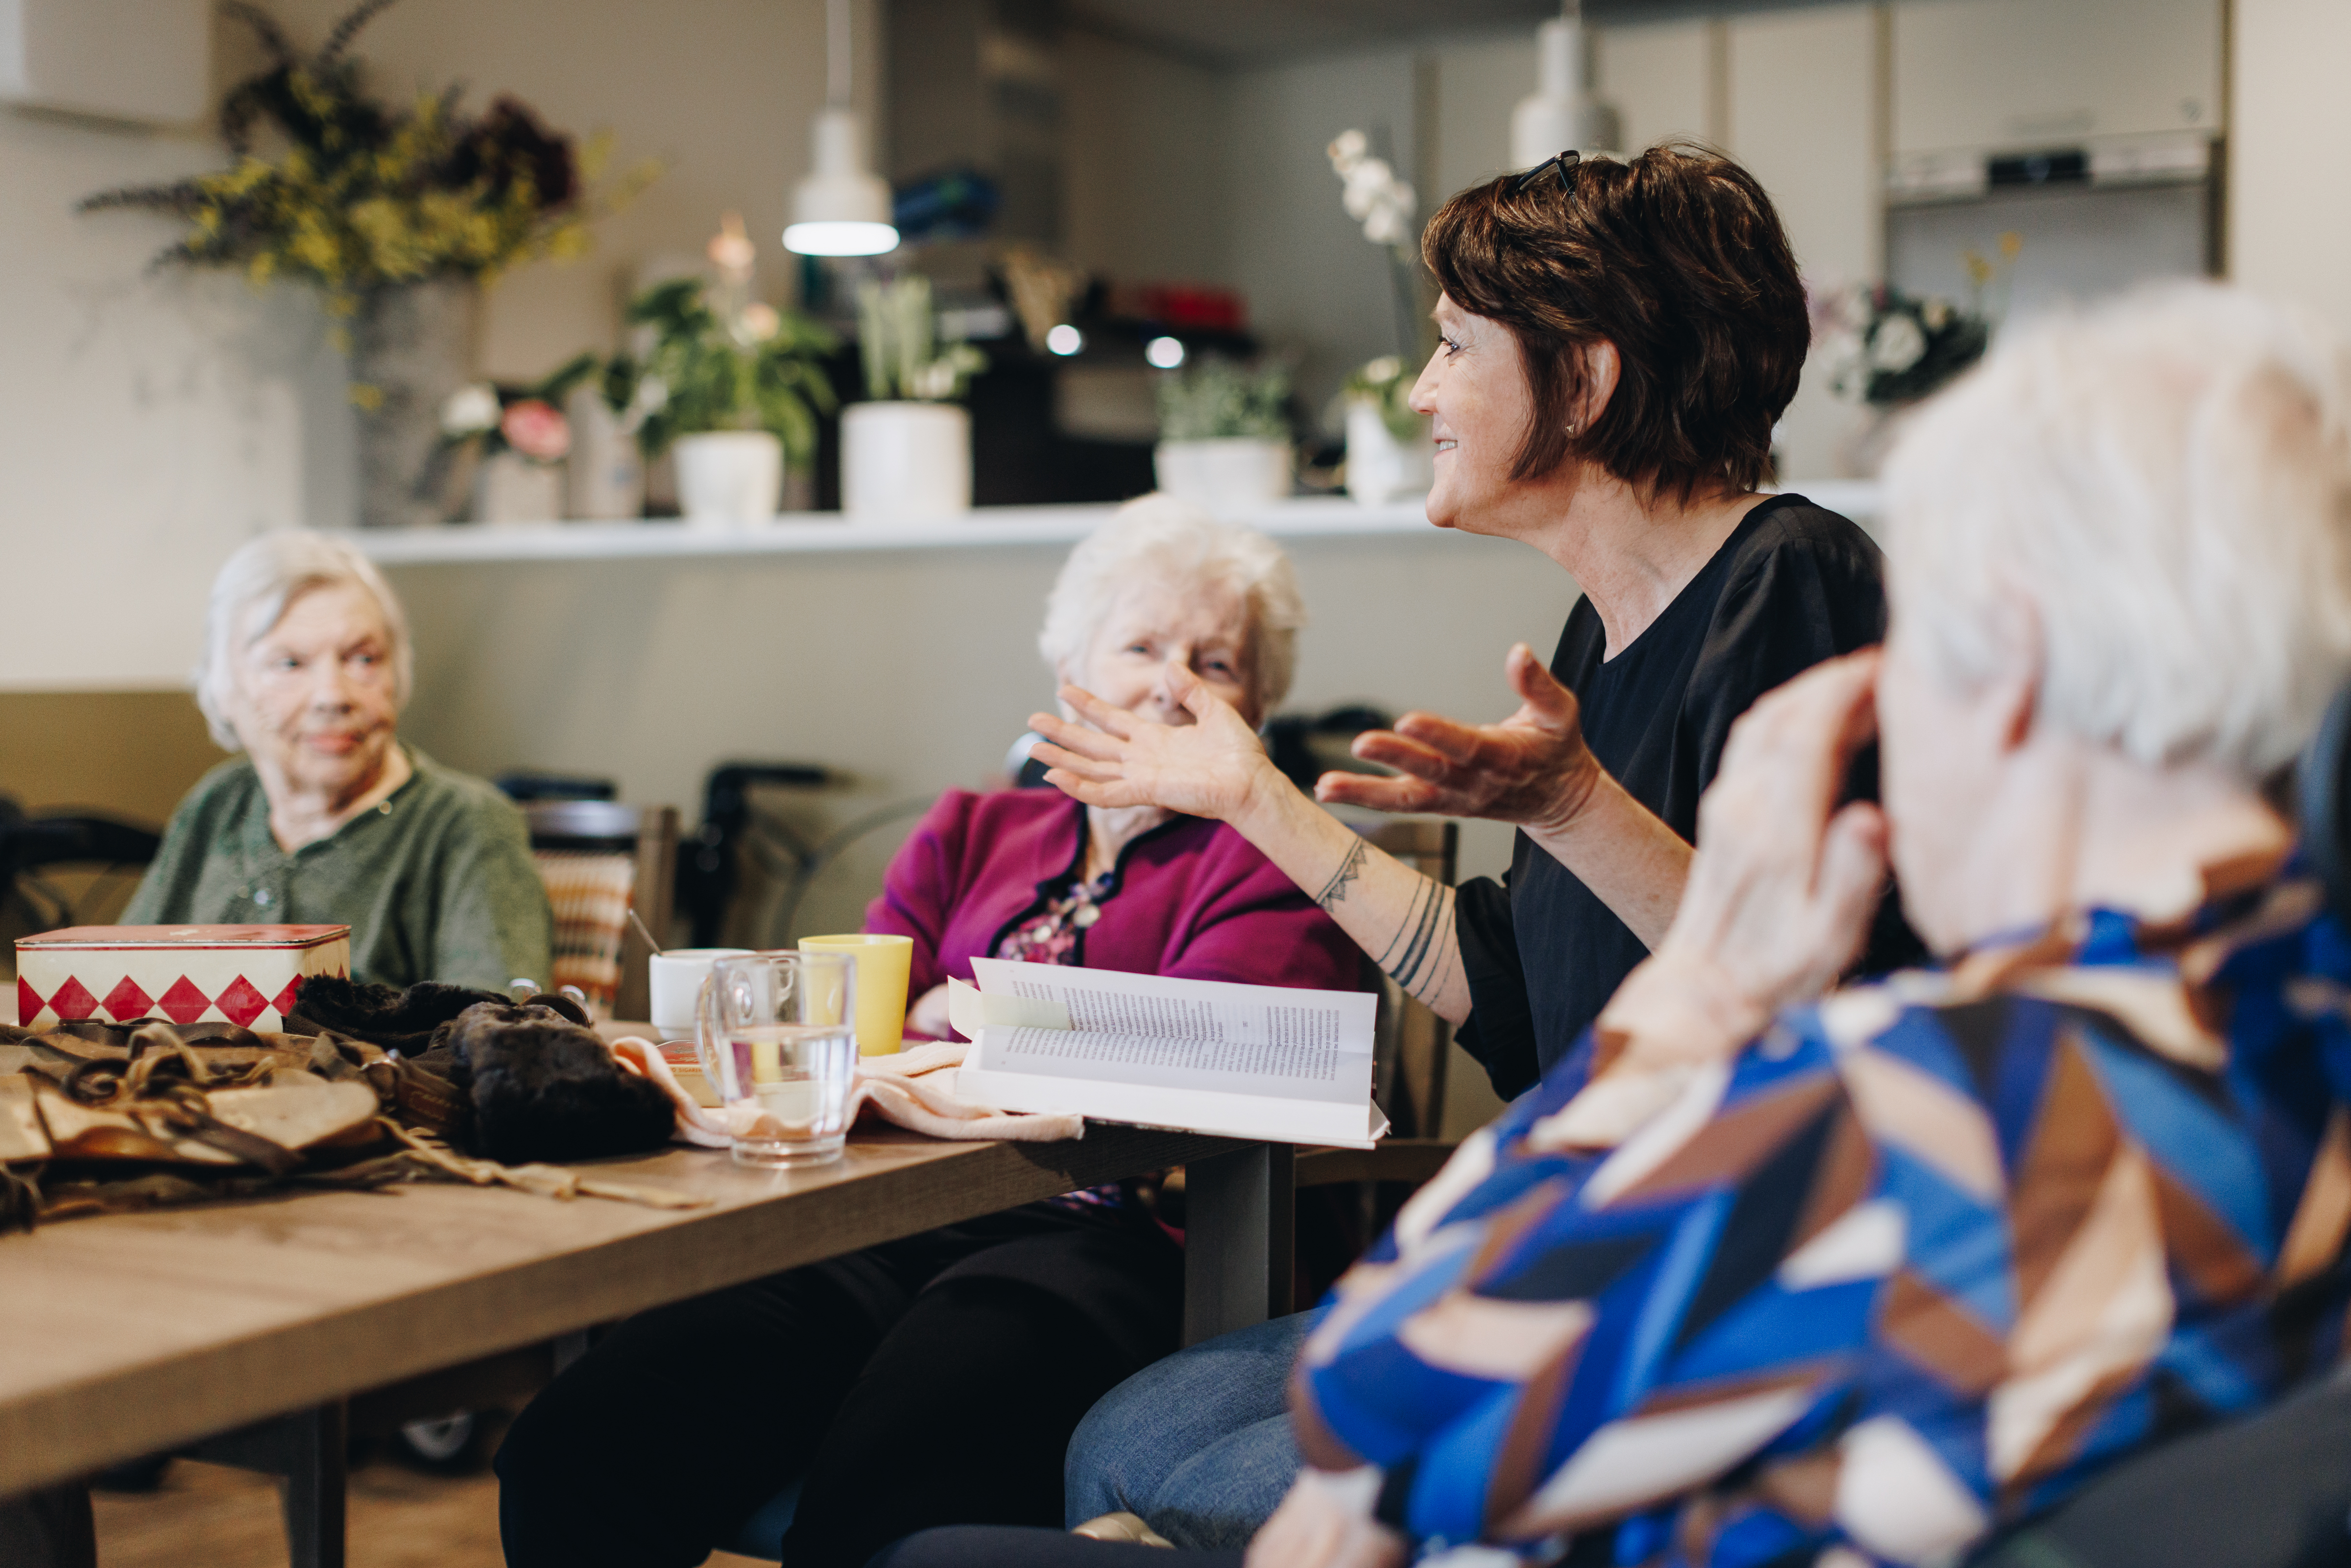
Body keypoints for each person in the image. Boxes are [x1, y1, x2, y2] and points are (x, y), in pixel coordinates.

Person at [871, 284, 2351, 1568]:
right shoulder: (2287, 1034)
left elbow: (1386, 1374)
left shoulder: (1942, 1097)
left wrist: (1709, 976)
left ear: (2010, 663)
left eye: (1922, 661)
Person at [1042, 144, 1904, 1547]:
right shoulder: (1597, 631)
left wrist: (1576, 809)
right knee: (1132, 1433)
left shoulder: (1792, 582)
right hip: (1574, 1259)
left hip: (1715, 1300)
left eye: (1453, 348)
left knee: (1178, 1480)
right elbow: (1508, 991)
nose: (1425, 392)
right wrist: (1252, 795)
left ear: (1589, 375)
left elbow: (1821, 998)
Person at [492, 498, 1363, 1568]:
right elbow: (856, 1034)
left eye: (1215, 661)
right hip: (880, 1215)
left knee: (886, 1495)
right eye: (1139, 645)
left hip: (1104, 1244)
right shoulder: (968, 828)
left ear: (1258, 705)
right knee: (580, 1444)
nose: (1172, 682)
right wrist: (977, 1034)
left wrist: (971, 1013)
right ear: (1070, 669)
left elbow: (1202, 1059)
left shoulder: (1273, 856)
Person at [122, 530, 551, 992]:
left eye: (363, 659)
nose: (333, 696)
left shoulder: (465, 824)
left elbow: (501, 1032)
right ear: (224, 688)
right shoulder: (220, 803)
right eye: (290, 664)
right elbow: (115, 984)